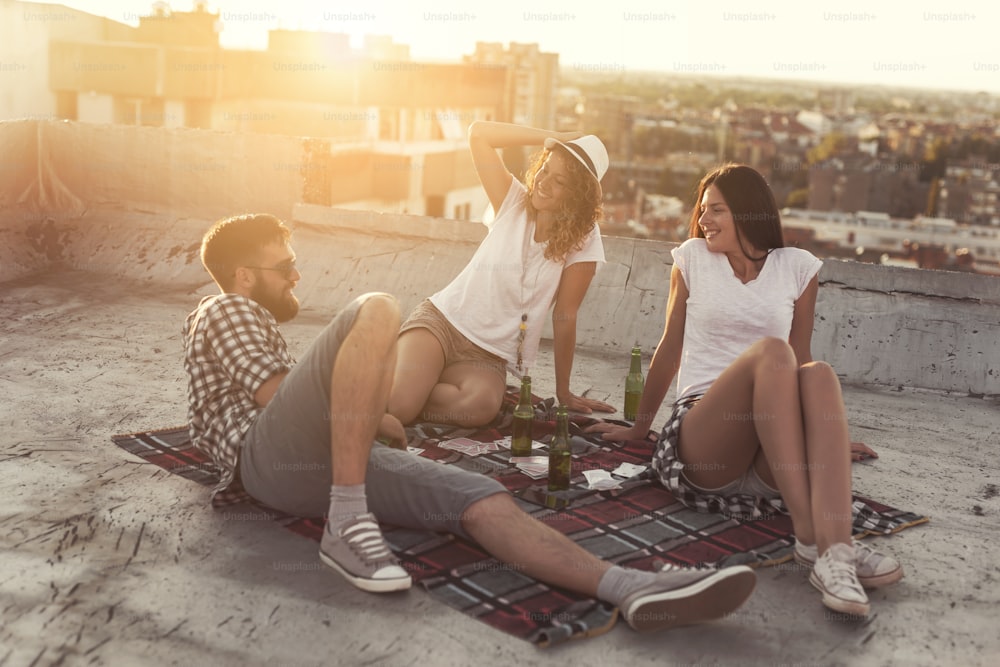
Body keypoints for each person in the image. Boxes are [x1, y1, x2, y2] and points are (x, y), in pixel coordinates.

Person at [182, 212, 758, 632]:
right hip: (267, 459)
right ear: (244, 275)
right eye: (285, 267)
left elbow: (300, 399)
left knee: (476, 495)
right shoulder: (225, 307)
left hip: (310, 471)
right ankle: (348, 523)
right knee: (378, 306)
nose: (296, 277)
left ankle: (628, 586)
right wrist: (373, 413)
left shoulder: (249, 315)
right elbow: (275, 392)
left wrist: (371, 421)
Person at [587, 165, 903, 618]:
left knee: (817, 374)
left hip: (769, 454)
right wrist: (640, 427)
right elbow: (669, 346)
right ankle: (811, 535)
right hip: (705, 440)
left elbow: (802, 355)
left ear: (747, 213)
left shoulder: (798, 268)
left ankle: (835, 558)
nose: (703, 220)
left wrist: (827, 439)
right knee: (772, 354)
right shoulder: (693, 258)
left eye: (715, 209)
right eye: (702, 210)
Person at [388, 121, 616, 428]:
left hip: (486, 357)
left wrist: (564, 391)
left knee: (479, 408)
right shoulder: (513, 201)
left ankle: (405, 380)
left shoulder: (584, 239)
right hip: (441, 324)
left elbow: (566, 314)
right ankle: (405, 386)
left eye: (559, 181)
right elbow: (478, 134)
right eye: (545, 169)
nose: (544, 182)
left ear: (577, 197)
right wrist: (554, 137)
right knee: (400, 408)